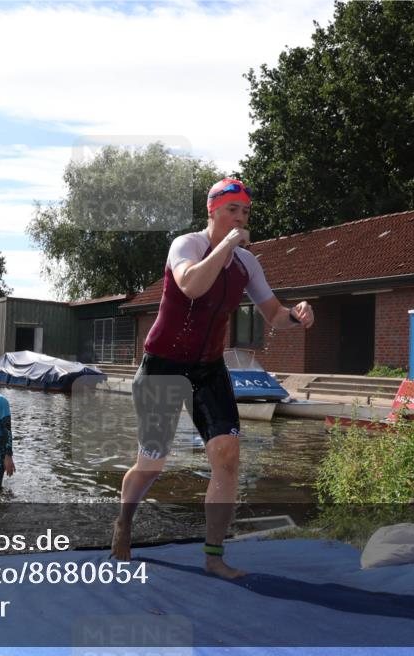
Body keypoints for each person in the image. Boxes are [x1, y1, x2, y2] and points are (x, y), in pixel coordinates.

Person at [111, 178, 315, 578]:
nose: (240, 218)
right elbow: (191, 285)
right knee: (152, 464)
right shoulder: (186, 246)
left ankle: (214, 555)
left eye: (245, 212)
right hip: (163, 365)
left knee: (227, 458)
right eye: (232, 210)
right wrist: (227, 245)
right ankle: (124, 521)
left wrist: (297, 314)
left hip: (208, 367)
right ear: (212, 211)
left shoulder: (246, 264)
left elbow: (273, 313)